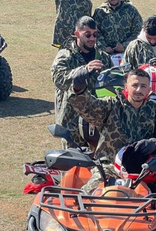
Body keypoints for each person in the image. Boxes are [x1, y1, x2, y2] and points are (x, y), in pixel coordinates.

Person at [67, 67, 156, 193]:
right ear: (126, 87)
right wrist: (78, 89)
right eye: (135, 85)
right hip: (109, 168)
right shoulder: (111, 105)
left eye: (143, 86)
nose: (139, 90)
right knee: (88, 194)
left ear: (149, 90)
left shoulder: (155, 110)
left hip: (144, 169)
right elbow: (87, 107)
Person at [51, 16, 112, 149]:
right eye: (87, 34)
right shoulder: (66, 55)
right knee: (72, 164)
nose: (92, 38)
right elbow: (58, 79)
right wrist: (83, 70)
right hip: (71, 120)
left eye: (95, 34)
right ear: (77, 34)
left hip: (97, 119)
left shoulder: (104, 58)